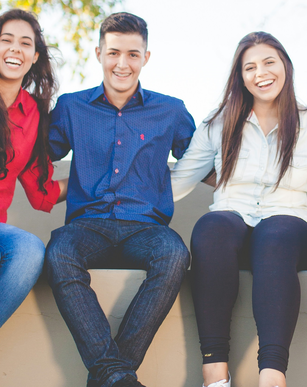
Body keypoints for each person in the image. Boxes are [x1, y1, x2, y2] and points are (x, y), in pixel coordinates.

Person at [171, 31, 307, 387]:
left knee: (276, 231)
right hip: (230, 234)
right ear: (240, 77)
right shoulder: (219, 123)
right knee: (212, 226)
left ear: (285, 64)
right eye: (249, 67)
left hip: (290, 231)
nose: (260, 73)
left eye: (269, 62)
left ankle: (271, 376)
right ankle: (215, 374)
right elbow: (178, 180)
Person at [45, 12, 195, 387]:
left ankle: (111, 375)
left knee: (175, 254)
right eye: (113, 53)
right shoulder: (70, 106)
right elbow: (35, 157)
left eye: (132, 54)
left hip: (145, 229)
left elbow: (204, 160)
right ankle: (119, 376)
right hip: (86, 227)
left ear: (146, 57)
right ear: (99, 53)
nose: (122, 64)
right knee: (59, 251)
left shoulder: (171, 110)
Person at [0, 9, 66, 328]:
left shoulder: (33, 115)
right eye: (6, 40)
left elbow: (43, 193)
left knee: (29, 249)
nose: (15, 49)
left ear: (34, 56)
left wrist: (96, 178)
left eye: (25, 43)